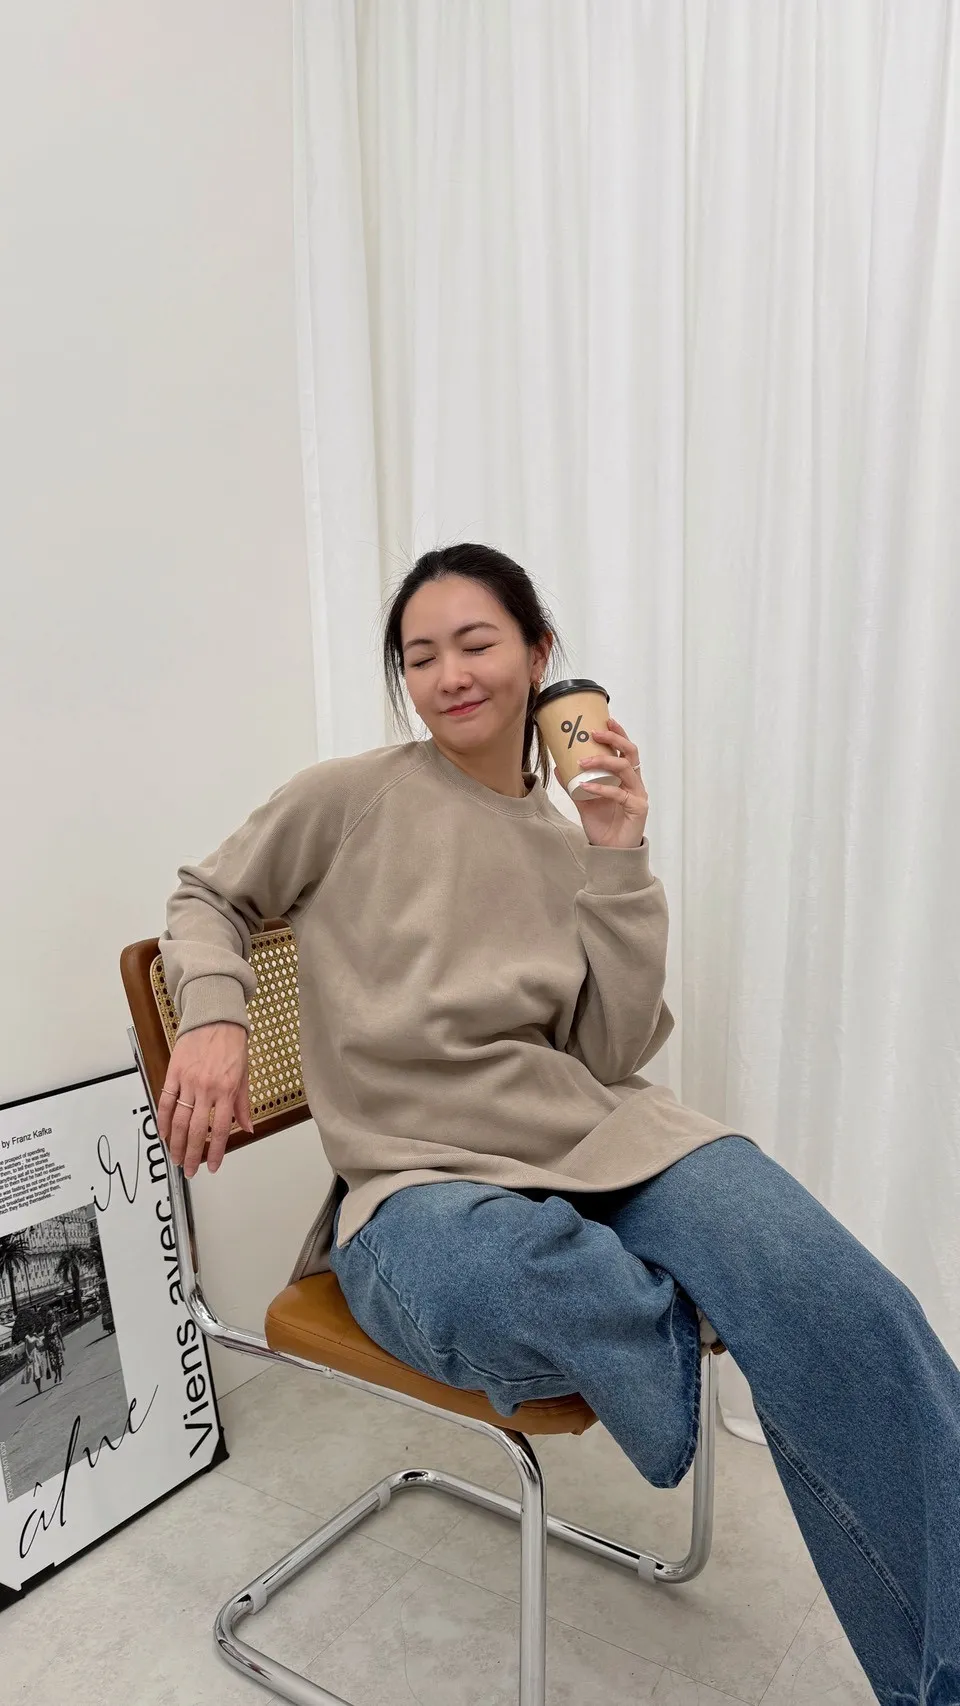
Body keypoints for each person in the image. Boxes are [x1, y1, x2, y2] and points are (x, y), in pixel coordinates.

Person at [156, 544, 960, 1705]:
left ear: (540, 654)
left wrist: (620, 856)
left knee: (850, 1304)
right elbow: (207, 894)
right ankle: (674, 1318)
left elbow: (610, 1052)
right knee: (490, 1282)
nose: (448, 675)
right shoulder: (349, 795)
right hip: (418, 1179)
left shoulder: (567, 831)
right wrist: (215, 1015)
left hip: (600, 1137)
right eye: (419, 655)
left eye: (475, 643)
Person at [21, 1326, 45, 1397]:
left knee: (38, 1371)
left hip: (36, 1354)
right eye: (32, 1329)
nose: (33, 1330)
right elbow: (25, 1349)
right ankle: (39, 1389)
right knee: (34, 1372)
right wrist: (28, 1356)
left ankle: (39, 1388)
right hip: (31, 1355)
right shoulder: (27, 1337)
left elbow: (40, 1344)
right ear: (30, 1329)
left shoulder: (35, 1335)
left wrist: (37, 1336)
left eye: (33, 1328)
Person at [43, 1307, 64, 1384]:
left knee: (59, 1362)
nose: (52, 1317)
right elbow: (45, 1339)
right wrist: (45, 1350)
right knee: (53, 1364)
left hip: (57, 1345)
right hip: (50, 1347)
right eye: (50, 1316)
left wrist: (62, 1344)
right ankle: (56, 1374)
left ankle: (60, 1378)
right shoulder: (46, 1328)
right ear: (48, 1318)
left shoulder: (56, 1325)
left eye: (52, 1315)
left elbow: (59, 1334)